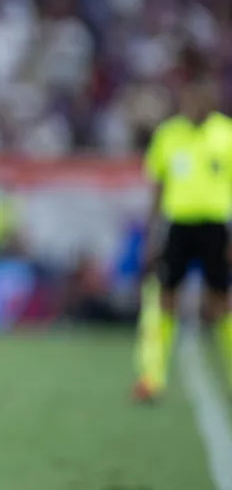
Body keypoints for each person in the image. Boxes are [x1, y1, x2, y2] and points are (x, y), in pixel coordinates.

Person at [133, 45, 232, 402]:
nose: (194, 104)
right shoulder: (169, 136)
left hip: (216, 228)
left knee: (220, 304)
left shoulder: (227, 135)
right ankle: (151, 377)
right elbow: (157, 191)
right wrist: (151, 236)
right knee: (164, 301)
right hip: (179, 228)